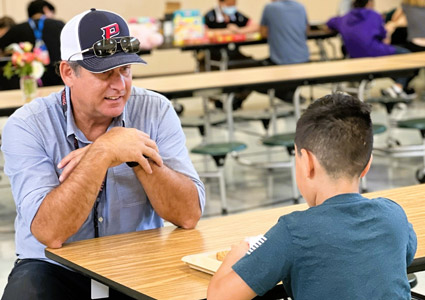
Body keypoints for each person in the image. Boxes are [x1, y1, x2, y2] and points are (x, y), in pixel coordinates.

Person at [1, 8, 205, 300]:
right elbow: (51, 233)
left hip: (136, 260)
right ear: (68, 72)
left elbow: (188, 216)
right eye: (104, 73)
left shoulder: (156, 110)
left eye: (126, 70)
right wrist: (104, 151)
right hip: (53, 267)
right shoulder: (27, 125)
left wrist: (134, 154)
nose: (120, 86)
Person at [207, 93, 417, 300]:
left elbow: (219, 296)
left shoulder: (292, 232)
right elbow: (404, 253)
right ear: (367, 165)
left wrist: (238, 252)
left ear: (307, 162)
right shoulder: (394, 215)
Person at [326, 0, 415, 99]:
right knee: (407, 55)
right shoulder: (374, 15)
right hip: (375, 52)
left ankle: (399, 88)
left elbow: (329, 22)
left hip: (354, 56)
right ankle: (398, 88)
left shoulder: (344, 18)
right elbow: (384, 37)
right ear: (369, 3)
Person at [203, 0, 261, 110]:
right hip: (213, 56)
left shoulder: (237, 16)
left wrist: (239, 30)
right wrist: (225, 32)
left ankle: (237, 99)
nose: (232, 7)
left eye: (234, 4)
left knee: (253, 66)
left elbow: (255, 26)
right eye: (229, 5)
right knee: (209, 74)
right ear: (220, 3)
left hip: (234, 55)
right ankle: (219, 101)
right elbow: (201, 31)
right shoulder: (210, 16)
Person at [0, 0, 64, 88]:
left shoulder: (17, 29)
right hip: (59, 81)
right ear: (45, 9)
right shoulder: (59, 25)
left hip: (30, 84)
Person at [257, 0, 310, 103]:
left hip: (281, 62)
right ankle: (290, 94)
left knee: (253, 74)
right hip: (304, 59)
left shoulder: (270, 8)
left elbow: (263, 33)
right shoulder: (300, 7)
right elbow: (306, 30)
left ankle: (286, 95)